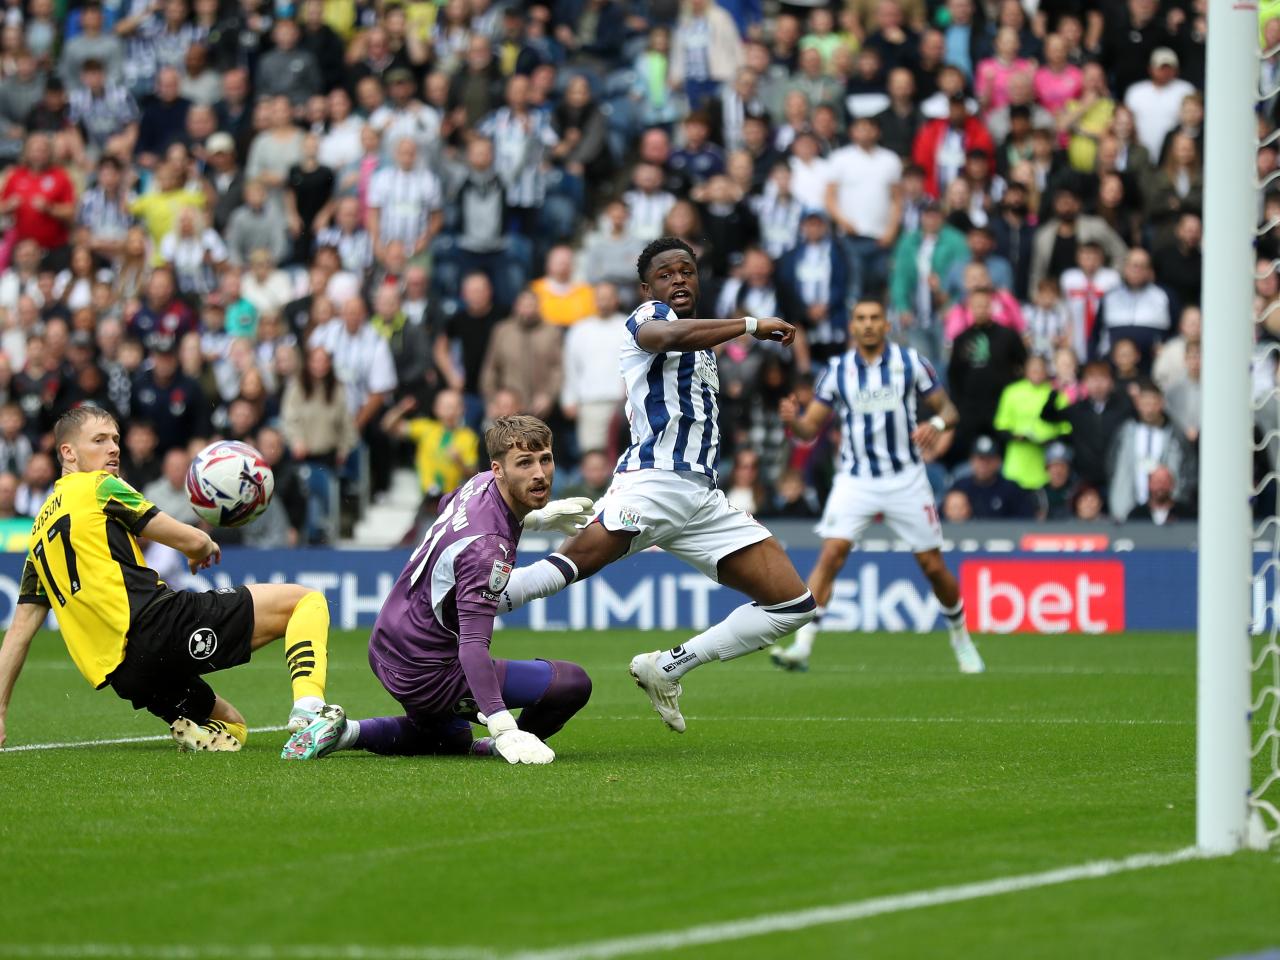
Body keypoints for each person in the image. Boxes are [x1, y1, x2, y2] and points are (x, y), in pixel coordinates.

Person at [486, 237, 815, 734]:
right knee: (565, 568)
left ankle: (668, 666)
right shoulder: (648, 317)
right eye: (666, 274)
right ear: (647, 287)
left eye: (687, 270)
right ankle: (462, 607)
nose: (678, 279)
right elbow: (663, 338)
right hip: (654, 483)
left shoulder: (702, 343)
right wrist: (749, 325)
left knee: (792, 605)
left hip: (702, 499)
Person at [0, 407, 336, 751]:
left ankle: (198, 734)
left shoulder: (38, 532)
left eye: (115, 439)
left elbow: (19, 631)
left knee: (232, 727)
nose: (113, 448)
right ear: (68, 452)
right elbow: (191, 539)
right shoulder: (99, 486)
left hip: (126, 674)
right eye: (99, 440)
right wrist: (200, 545)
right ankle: (310, 710)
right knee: (306, 602)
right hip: (159, 625)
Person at [280, 416, 594, 764]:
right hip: (427, 667)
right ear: (499, 469)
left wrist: (534, 518)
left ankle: (344, 732)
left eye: (545, 459)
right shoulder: (489, 548)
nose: (539, 473)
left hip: (387, 643)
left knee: (448, 739)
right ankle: (512, 742)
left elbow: (448, 504)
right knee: (571, 683)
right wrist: (503, 726)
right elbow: (473, 647)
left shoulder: (479, 482)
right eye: (525, 463)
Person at [770, 298, 984, 675]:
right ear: (852, 326)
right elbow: (809, 430)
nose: (867, 325)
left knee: (932, 566)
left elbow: (949, 412)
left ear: (886, 325)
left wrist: (933, 426)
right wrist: (794, 421)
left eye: (874, 318)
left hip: (905, 478)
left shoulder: (910, 363)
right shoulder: (837, 371)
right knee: (831, 554)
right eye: (861, 319)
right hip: (855, 479)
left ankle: (961, 638)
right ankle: (802, 647)